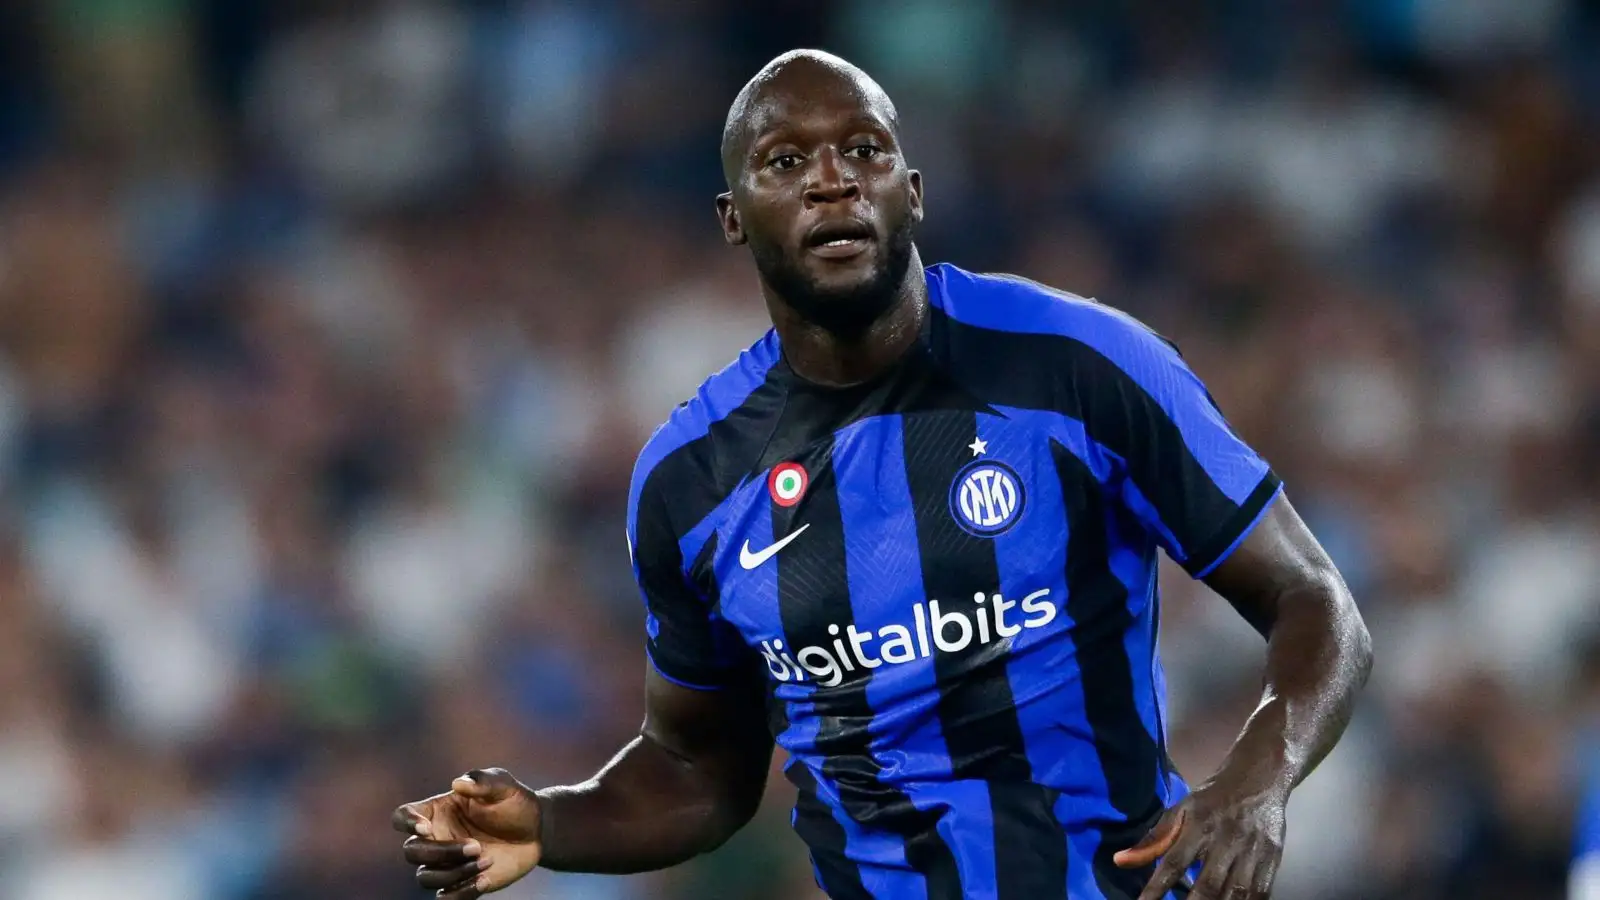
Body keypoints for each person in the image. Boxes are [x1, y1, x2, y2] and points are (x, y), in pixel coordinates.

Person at [392, 49, 1373, 900]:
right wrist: (552, 823)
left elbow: (1314, 601)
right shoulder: (691, 483)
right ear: (735, 218)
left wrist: (1259, 773)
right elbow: (699, 769)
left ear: (912, 187)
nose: (831, 182)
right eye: (787, 163)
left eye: (862, 151)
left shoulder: (1078, 365)